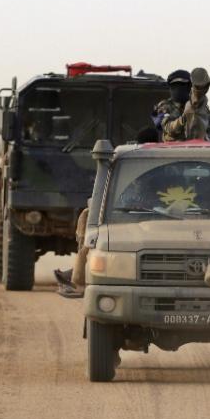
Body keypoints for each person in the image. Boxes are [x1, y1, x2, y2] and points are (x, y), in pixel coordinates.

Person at [54, 127, 159, 298]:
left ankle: (79, 278)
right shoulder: (142, 160)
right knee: (89, 217)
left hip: (144, 215)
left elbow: (137, 197)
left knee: (96, 228)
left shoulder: (146, 162)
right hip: (139, 212)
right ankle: (78, 271)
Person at [153, 68, 210, 142]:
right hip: (171, 151)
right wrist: (184, 118)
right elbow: (168, 128)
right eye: (174, 85)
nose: (178, 89)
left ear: (189, 87)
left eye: (182, 85)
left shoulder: (201, 108)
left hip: (197, 150)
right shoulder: (164, 106)